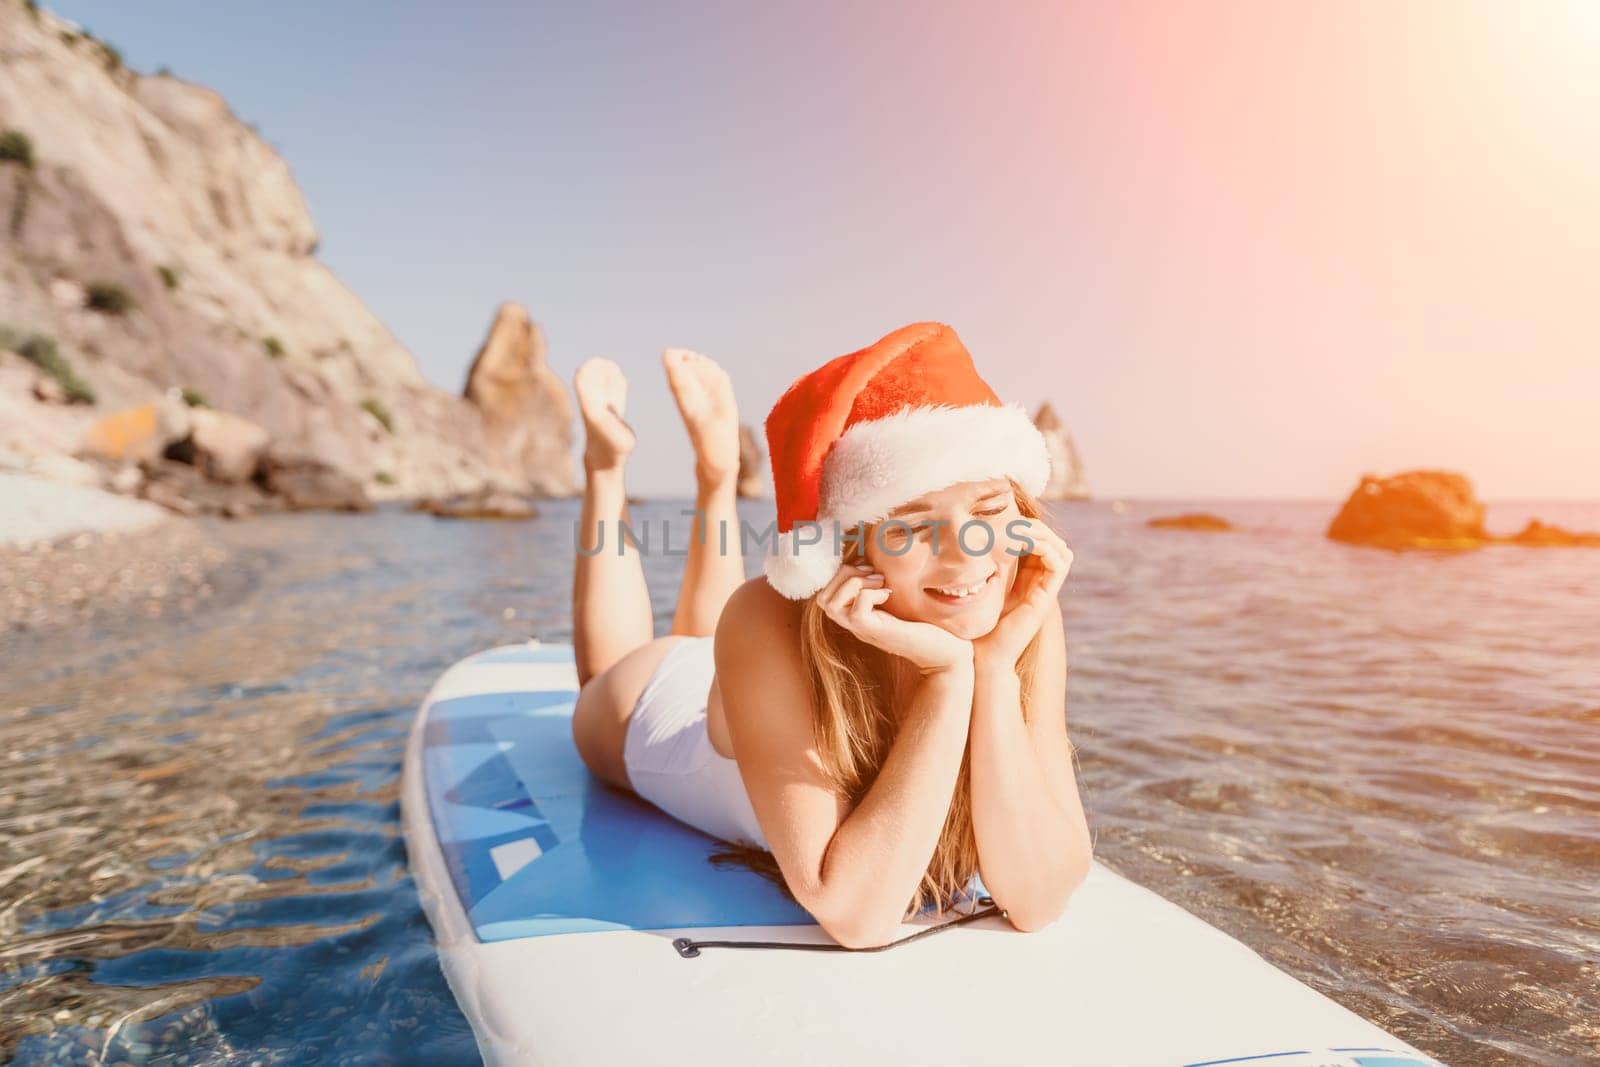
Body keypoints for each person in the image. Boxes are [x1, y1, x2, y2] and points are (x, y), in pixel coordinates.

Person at [569, 322, 1092, 949]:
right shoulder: (768, 617)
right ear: (851, 549)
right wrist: (947, 678)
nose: (964, 558)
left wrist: (995, 671)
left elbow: (1037, 901)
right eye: (911, 527)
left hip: (748, 688)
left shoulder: (1019, 607)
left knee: (713, 633)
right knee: (622, 666)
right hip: (656, 708)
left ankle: (716, 474)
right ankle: (608, 470)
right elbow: (856, 916)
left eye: (987, 512)